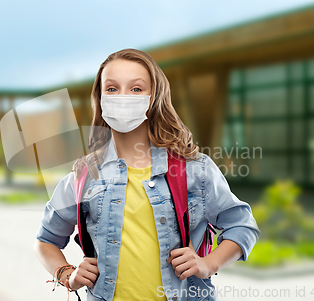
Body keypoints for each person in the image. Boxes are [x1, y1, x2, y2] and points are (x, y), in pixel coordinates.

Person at [34, 48, 261, 301]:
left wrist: (208, 264)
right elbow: (45, 240)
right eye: (111, 88)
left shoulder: (196, 169)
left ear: (155, 97)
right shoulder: (85, 176)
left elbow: (242, 226)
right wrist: (67, 274)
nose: (122, 97)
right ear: (99, 98)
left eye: (136, 89)